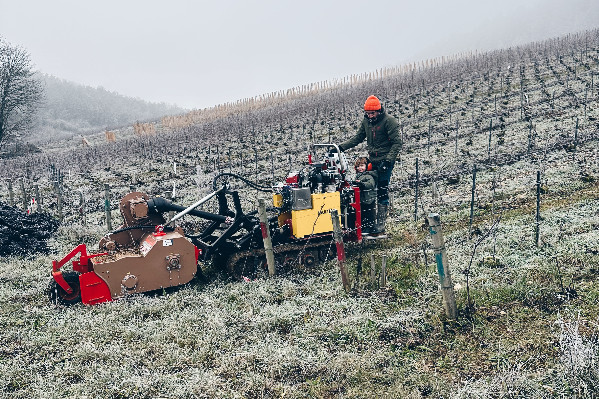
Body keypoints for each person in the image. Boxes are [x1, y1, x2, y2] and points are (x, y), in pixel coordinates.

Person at [339, 95, 401, 237]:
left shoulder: (389, 122)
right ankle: (369, 224)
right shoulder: (366, 122)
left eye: (372, 113)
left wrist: (388, 161)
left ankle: (380, 226)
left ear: (379, 111)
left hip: (385, 161)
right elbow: (358, 137)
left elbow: (397, 143)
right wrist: (340, 147)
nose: (370, 116)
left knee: (382, 192)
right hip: (372, 162)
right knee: (369, 191)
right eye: (367, 113)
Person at [353, 157, 378, 237]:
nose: (360, 168)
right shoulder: (358, 176)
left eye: (362, 166)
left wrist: (362, 184)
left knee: (370, 214)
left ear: (367, 166)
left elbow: (371, 184)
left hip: (369, 199)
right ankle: (364, 227)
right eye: (358, 166)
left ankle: (370, 228)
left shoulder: (369, 175)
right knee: (363, 213)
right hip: (362, 199)